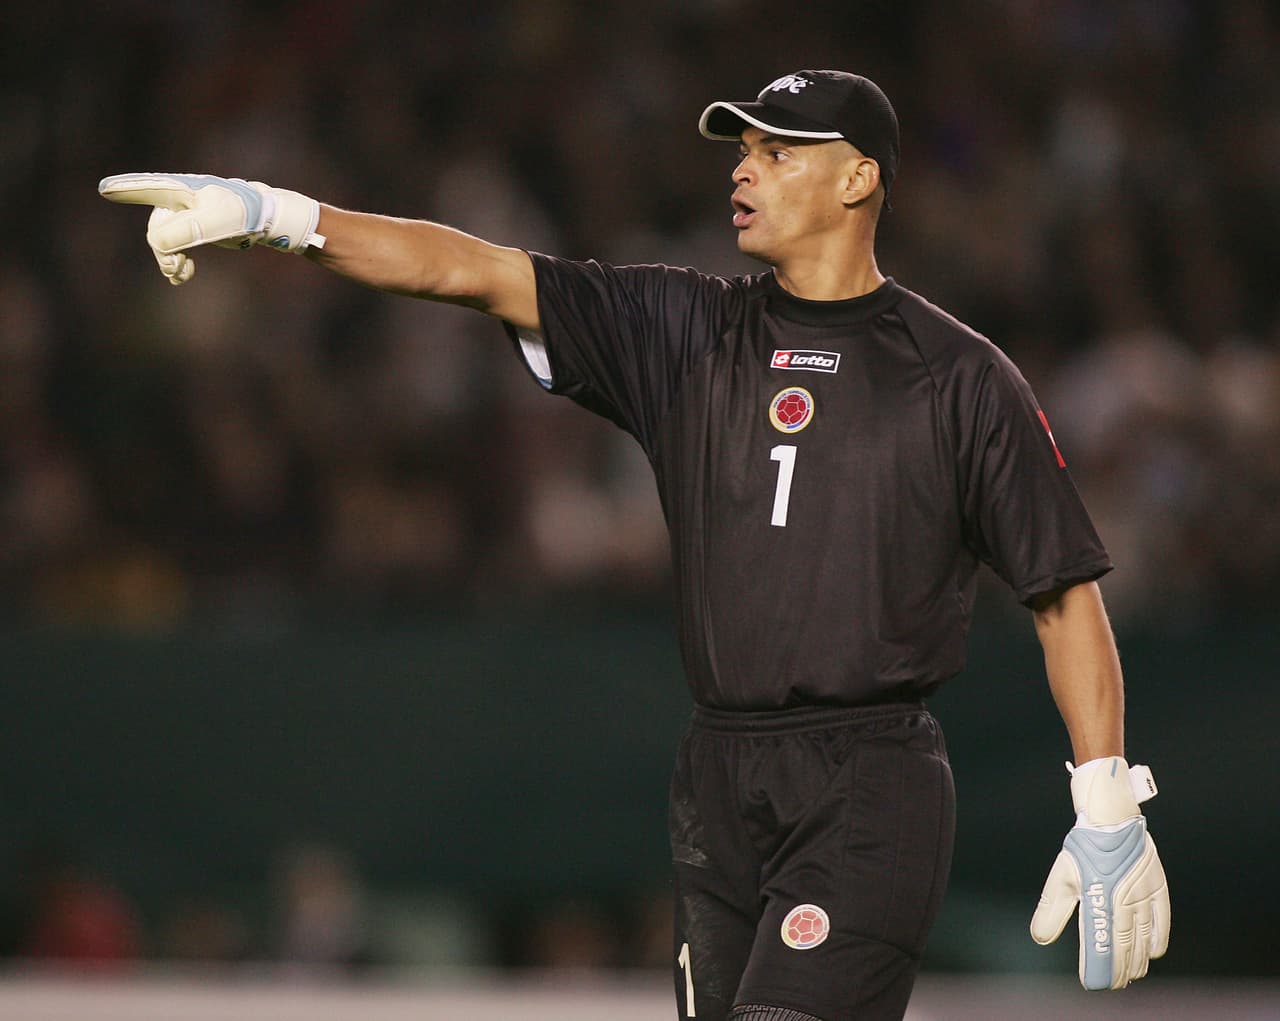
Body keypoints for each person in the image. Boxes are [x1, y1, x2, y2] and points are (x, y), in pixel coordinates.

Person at [99, 69, 1169, 1021]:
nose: (743, 169)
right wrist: (277, 215)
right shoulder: (684, 330)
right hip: (716, 775)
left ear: (856, 180)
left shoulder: (958, 375)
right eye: (742, 148)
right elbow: (468, 270)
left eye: (776, 149)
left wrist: (1105, 793)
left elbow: (1060, 593)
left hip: (869, 781)